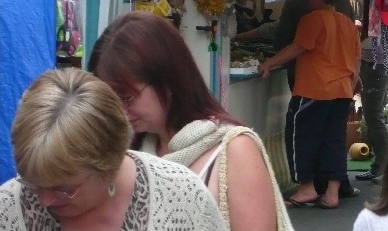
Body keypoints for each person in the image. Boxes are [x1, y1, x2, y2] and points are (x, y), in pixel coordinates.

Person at [89, 11, 291, 231]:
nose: (120, 110)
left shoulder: (234, 150)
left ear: (168, 79)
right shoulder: (132, 154)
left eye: (128, 97)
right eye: (111, 100)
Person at [0, 68, 226, 230]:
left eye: (63, 189)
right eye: (34, 184)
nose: (44, 201)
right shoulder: (8, 208)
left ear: (109, 165)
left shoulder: (181, 197)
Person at [260, 0, 361, 210]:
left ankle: (307, 188)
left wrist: (269, 63)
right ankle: (332, 193)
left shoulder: (313, 19)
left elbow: (297, 47)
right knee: (334, 141)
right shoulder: (347, 23)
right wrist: (351, 83)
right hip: (342, 90)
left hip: (314, 89)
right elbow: (356, 60)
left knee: (301, 137)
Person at [354, 0, 388, 184]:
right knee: (374, 117)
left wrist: (355, 33)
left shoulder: (378, 10)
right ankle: (381, 166)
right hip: (376, 64)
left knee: (374, 117)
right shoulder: (385, 9)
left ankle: (386, 167)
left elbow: (371, 43)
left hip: (377, 66)